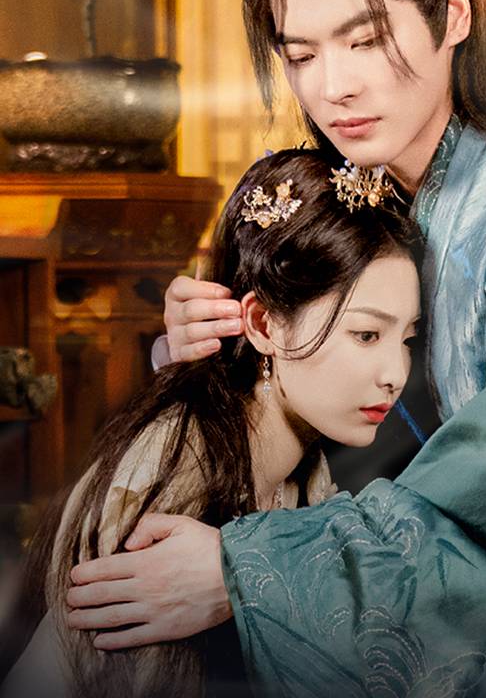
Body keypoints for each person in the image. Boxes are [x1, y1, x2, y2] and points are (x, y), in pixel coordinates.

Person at [65, 0, 486, 697]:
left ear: (453, 12)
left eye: (365, 40)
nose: (333, 88)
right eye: (301, 55)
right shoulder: (348, 192)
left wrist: (244, 573)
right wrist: (214, 352)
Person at [3, 148, 422, 698]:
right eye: (366, 335)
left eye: (407, 338)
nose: (396, 374)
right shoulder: (177, 465)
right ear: (263, 324)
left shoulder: (303, 468)